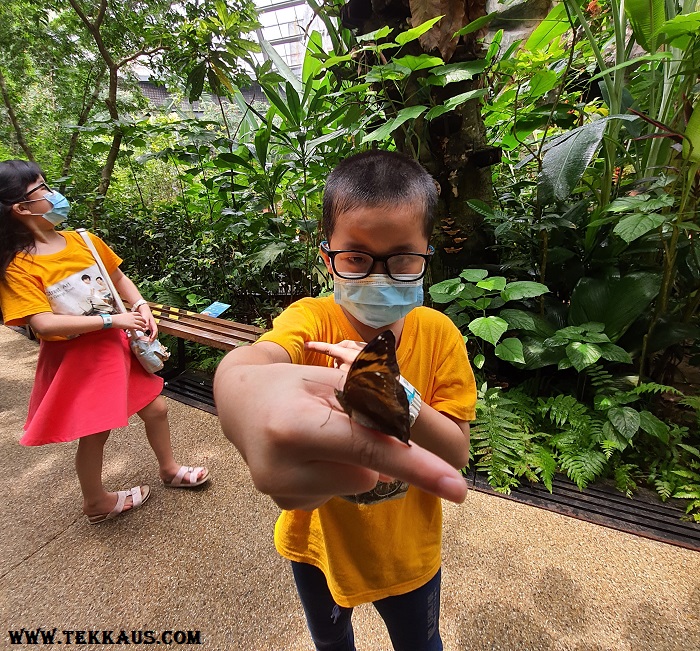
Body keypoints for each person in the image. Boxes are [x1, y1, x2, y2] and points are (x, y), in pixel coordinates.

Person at [214, 150, 477, 650]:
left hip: (406, 552)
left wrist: (393, 391)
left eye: (401, 257)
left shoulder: (439, 335)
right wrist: (234, 384)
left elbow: (457, 453)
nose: (379, 274)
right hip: (317, 545)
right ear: (327, 255)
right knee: (332, 645)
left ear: (426, 255)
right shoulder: (311, 321)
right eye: (356, 257)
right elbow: (258, 358)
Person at [0, 159, 210, 525]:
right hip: (78, 360)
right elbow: (43, 324)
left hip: (117, 349)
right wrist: (113, 319)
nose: (54, 194)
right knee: (96, 432)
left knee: (156, 409)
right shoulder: (19, 266)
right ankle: (95, 501)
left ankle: (169, 469)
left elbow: (118, 277)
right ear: (21, 207)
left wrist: (141, 305)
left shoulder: (84, 240)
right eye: (43, 188)